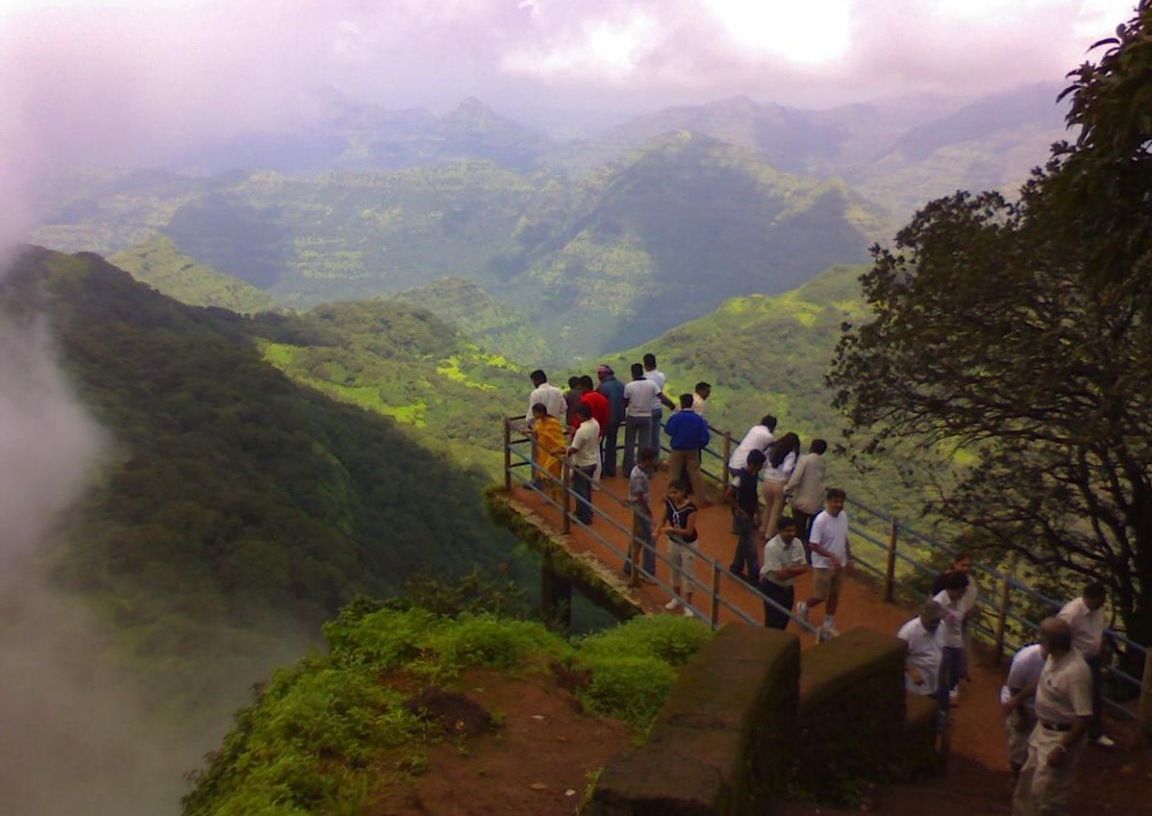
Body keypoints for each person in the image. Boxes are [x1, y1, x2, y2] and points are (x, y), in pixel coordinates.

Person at [1010, 617, 1093, 816]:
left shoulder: (1075, 673)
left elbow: (1084, 718)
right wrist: (1019, 699)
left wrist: (1062, 747)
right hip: (1042, 731)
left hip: (1060, 737)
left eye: (1043, 638)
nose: (1040, 642)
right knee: (1026, 787)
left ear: (1051, 644)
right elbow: (1043, 681)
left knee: (1048, 795)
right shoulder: (1053, 658)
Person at [1057, 583, 1114, 747]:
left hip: (1092, 658)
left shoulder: (1098, 609)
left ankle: (1094, 733)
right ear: (1089, 598)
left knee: (1095, 694)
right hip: (1074, 661)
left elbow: (1097, 632)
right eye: (1100, 601)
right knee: (1070, 694)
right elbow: (1059, 635)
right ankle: (1066, 728)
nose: (1102, 604)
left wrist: (1101, 650)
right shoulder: (1071, 613)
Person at [796, 488, 852, 640]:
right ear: (828, 502)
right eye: (836, 501)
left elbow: (845, 537)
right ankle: (804, 606)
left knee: (834, 595)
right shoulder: (821, 520)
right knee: (820, 596)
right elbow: (813, 544)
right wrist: (831, 556)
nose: (839, 505)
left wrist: (849, 557)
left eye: (841, 502)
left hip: (840, 564)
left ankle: (828, 623)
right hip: (823, 565)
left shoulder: (843, 517)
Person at [931, 550, 980, 683]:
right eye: (963, 565)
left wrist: (967, 615)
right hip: (945, 621)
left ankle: (960, 673)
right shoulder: (944, 579)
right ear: (955, 564)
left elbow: (972, 599)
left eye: (968, 566)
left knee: (962, 647)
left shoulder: (970, 582)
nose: (966, 568)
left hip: (962, 619)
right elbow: (935, 601)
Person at [1001, 640, 1045, 776]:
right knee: (1019, 744)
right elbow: (1014, 689)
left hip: (1040, 705)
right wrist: (1021, 715)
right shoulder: (1025, 660)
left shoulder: (1058, 659)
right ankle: (1016, 777)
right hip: (1021, 702)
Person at [759, 516, 808, 630]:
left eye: (794, 530)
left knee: (784, 619)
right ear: (780, 531)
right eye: (788, 531)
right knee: (772, 622)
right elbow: (779, 576)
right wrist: (795, 569)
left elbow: (805, 568)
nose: (792, 533)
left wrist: (787, 569)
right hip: (772, 587)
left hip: (788, 588)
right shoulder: (771, 547)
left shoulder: (797, 543)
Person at [932, 570, 972, 705]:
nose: (962, 595)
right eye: (960, 591)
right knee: (942, 676)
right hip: (943, 643)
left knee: (955, 674)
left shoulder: (960, 601)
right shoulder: (938, 602)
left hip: (956, 642)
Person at [725, 448, 765, 583]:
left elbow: (753, 497)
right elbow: (728, 495)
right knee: (751, 546)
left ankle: (736, 567)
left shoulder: (747, 476)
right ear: (754, 464)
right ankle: (754, 576)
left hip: (746, 514)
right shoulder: (742, 477)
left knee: (745, 543)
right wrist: (740, 510)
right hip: (743, 516)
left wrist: (757, 514)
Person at [660, 480, 698, 616]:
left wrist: (672, 529)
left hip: (688, 543)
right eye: (671, 492)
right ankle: (676, 597)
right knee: (674, 570)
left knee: (688, 573)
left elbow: (689, 531)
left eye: (675, 492)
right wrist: (659, 529)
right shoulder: (669, 503)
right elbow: (664, 517)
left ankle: (688, 604)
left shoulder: (691, 509)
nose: (672, 495)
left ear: (683, 492)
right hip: (674, 542)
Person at [897, 600, 946, 701]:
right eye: (933, 621)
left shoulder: (942, 626)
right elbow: (896, 657)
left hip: (935, 681)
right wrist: (910, 670)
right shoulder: (908, 632)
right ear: (923, 616)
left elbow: (941, 649)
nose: (936, 624)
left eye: (938, 620)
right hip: (915, 687)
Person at [664, 393, 710, 499]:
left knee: (674, 473)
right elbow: (704, 436)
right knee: (695, 474)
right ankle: (702, 498)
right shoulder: (698, 419)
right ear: (691, 403)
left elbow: (668, 430)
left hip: (677, 448)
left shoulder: (676, 417)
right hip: (692, 449)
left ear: (682, 403)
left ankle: (670, 497)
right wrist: (699, 445)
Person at [625, 446, 659, 584]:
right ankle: (648, 572)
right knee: (650, 539)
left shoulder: (637, 470)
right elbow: (639, 496)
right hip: (640, 507)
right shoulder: (639, 475)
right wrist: (649, 512)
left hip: (638, 506)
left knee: (637, 536)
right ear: (649, 460)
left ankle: (628, 565)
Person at [785, 438, 827, 544]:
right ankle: (806, 552)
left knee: (798, 529)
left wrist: (787, 488)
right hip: (817, 503)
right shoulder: (823, 463)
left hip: (802, 501)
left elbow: (795, 478)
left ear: (811, 447)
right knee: (811, 533)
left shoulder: (805, 459)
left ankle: (796, 550)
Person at [622, 363, 659, 475]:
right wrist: (672, 405)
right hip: (646, 417)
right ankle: (643, 470)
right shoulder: (651, 384)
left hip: (632, 416)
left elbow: (624, 402)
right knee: (644, 445)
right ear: (642, 371)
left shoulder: (629, 386)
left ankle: (628, 470)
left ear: (632, 373)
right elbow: (661, 396)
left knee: (629, 444)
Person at [760, 431, 800, 538]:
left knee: (767, 507)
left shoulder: (773, 448)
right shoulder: (791, 454)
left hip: (767, 480)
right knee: (776, 512)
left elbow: (764, 461)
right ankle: (769, 534)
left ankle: (762, 529)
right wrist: (794, 468)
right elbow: (787, 469)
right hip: (779, 483)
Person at [566, 403, 600, 525]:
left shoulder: (582, 430)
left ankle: (584, 517)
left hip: (582, 463)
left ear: (581, 415)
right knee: (586, 489)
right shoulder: (595, 423)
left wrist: (564, 451)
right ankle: (586, 512)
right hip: (592, 461)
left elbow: (574, 448)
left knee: (580, 490)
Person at [528, 403, 566, 500]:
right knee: (544, 475)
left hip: (554, 452)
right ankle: (551, 496)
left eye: (535, 413)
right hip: (543, 452)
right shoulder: (539, 422)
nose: (534, 415)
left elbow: (559, 438)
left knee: (553, 475)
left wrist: (559, 449)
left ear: (541, 413)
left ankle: (561, 497)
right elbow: (537, 431)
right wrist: (528, 432)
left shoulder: (553, 423)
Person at [642, 353, 676, 455]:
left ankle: (645, 460)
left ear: (645, 364)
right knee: (655, 437)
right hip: (657, 407)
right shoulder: (661, 376)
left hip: (647, 409)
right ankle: (655, 460)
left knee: (645, 438)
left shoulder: (644, 377)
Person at [596, 365, 626, 477]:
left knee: (598, 444)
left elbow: (600, 405)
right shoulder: (621, 385)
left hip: (605, 420)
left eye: (600, 373)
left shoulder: (602, 388)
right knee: (612, 443)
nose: (598, 375)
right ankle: (611, 469)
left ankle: (601, 470)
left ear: (606, 373)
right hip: (618, 418)